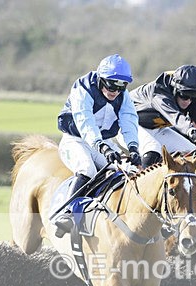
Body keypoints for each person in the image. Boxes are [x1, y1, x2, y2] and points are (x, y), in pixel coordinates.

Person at [54, 53, 142, 237]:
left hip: (103, 142)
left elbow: (129, 120)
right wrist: (102, 146)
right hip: (75, 140)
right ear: (101, 79)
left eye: (122, 86)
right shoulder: (83, 88)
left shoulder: (122, 95)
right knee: (87, 170)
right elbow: (85, 122)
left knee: (125, 171)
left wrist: (134, 147)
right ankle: (67, 214)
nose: (115, 91)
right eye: (111, 84)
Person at [129, 64, 196, 167]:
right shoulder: (159, 93)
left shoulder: (191, 96)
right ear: (175, 89)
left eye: (194, 97)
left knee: (194, 153)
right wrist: (194, 134)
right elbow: (176, 117)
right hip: (129, 125)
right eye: (185, 96)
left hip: (156, 128)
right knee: (152, 150)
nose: (189, 101)